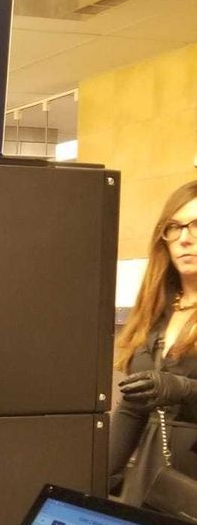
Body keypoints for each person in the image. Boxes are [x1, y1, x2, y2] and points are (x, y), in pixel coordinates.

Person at [110, 181, 197, 506]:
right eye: (174, 227)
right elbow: (132, 410)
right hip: (150, 485)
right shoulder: (156, 309)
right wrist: (89, 483)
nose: (185, 238)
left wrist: (184, 389)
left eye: (195, 225)